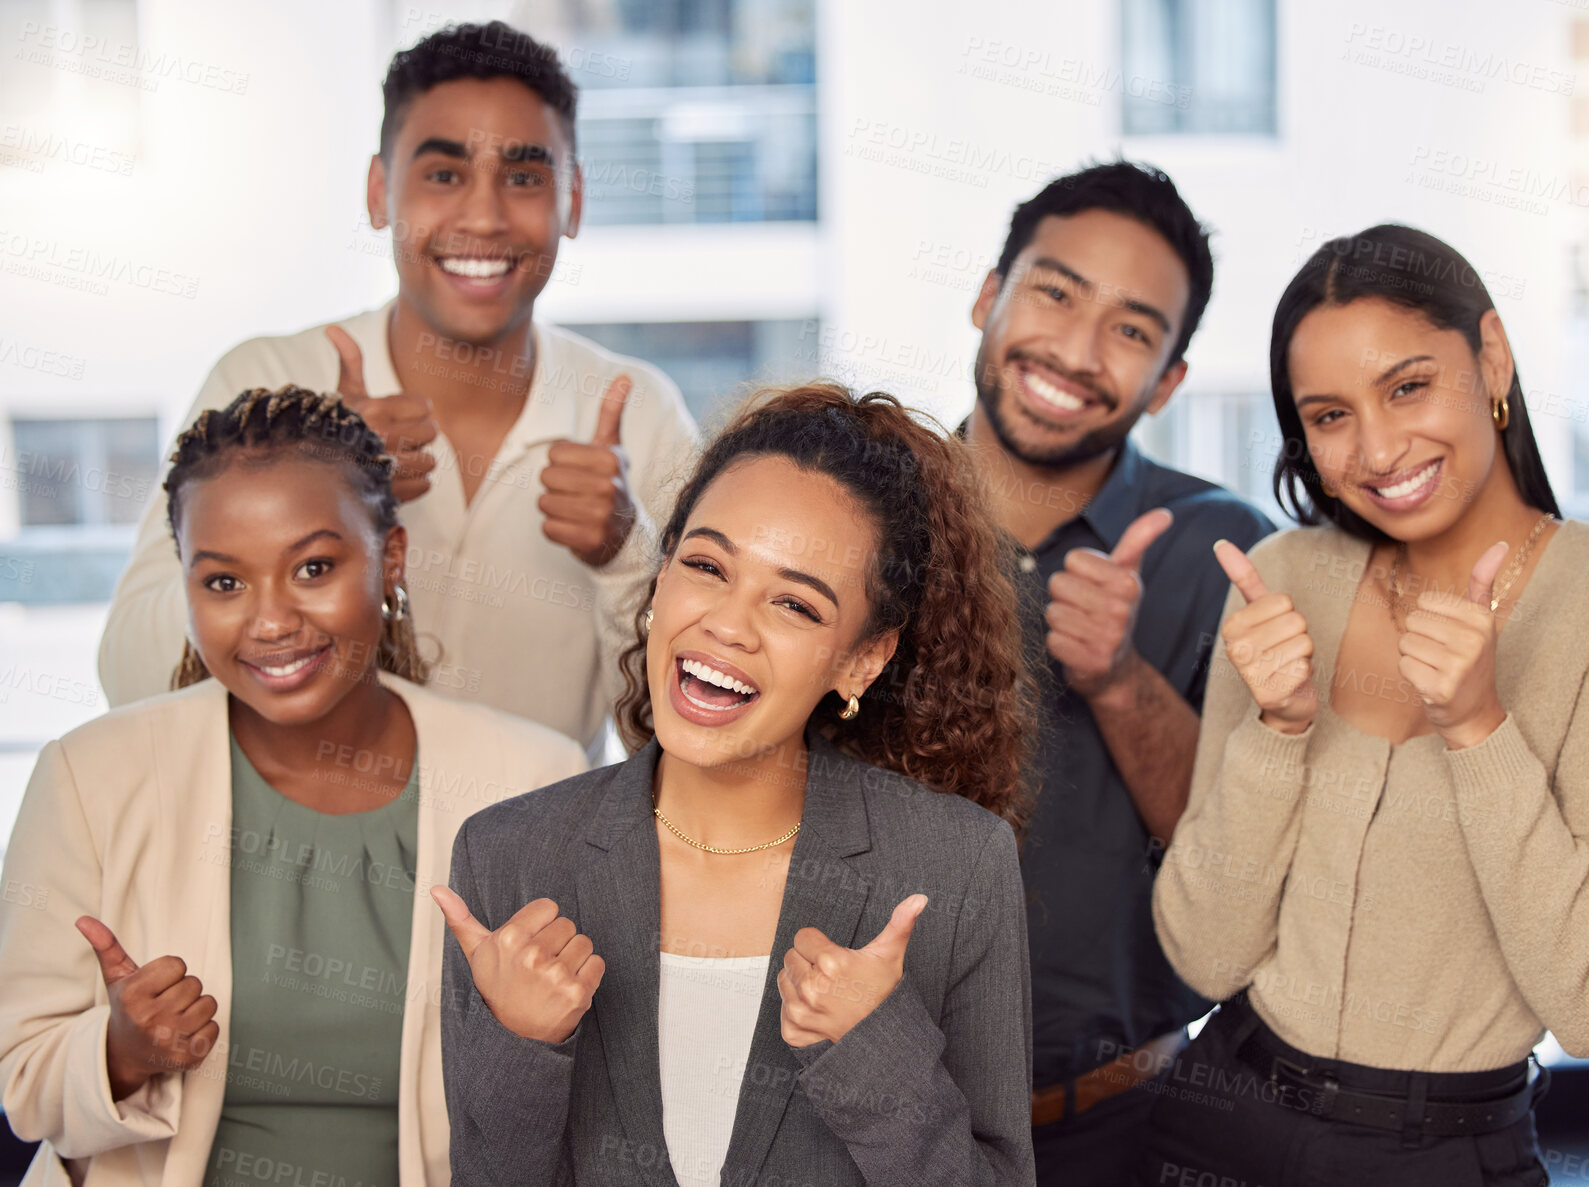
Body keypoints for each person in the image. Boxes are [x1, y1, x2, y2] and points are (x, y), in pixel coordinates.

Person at [1148, 225, 1589, 1184]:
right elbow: (1206, 953)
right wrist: (1276, 735)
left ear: (1491, 359)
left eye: (1407, 386)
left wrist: (1480, 728)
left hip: (1444, 1152)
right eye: (1329, 414)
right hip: (1217, 1121)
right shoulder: (1279, 578)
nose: (1378, 448)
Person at [432, 384, 1038, 1186]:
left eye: (793, 602)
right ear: (661, 577)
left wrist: (876, 1053)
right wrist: (522, 1046)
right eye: (708, 566)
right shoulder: (508, 855)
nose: (727, 623)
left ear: (862, 659)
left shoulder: (956, 865)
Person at [0, 387, 585, 1186]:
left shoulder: (533, 778)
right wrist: (121, 1052)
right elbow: (22, 1080)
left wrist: (529, 1032)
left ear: (393, 560)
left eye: (313, 566)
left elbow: (584, 1100)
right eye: (224, 583)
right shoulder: (89, 775)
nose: (271, 620)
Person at [97, 20, 699, 759]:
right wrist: (310, 485)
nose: (483, 216)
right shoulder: (257, 383)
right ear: (381, 192)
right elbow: (127, 673)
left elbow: (684, 728)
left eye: (523, 177)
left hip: (534, 869)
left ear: (572, 200)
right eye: (443, 175)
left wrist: (624, 556)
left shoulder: (640, 411)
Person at [959, 161, 1273, 1180]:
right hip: (855, 1109)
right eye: (1054, 292)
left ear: (1167, 380)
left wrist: (1121, 682)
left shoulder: (1230, 552)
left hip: (1126, 1132)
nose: (1077, 351)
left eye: (1132, 330)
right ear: (988, 295)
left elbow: (1245, 861)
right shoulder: (852, 511)